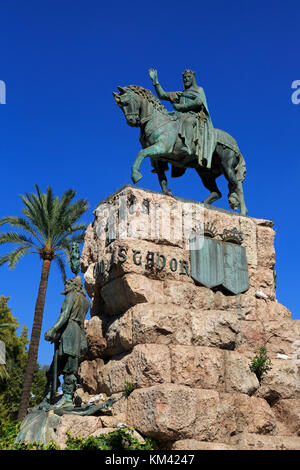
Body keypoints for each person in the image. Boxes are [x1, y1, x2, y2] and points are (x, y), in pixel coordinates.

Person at [149, 68, 215, 168]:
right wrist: (155, 81)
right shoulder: (180, 94)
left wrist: (181, 107)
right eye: (184, 78)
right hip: (179, 116)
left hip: (194, 116)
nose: (186, 79)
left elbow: (199, 102)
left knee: (188, 121)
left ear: (193, 78)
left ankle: (188, 146)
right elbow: (162, 95)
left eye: (189, 77)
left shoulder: (198, 90)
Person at [41, 276, 89, 408]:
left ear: (74, 285)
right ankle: (54, 397)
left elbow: (65, 314)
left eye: (68, 284)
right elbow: (81, 322)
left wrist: (53, 329)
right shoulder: (86, 302)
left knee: (61, 367)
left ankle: (60, 397)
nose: (66, 287)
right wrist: (83, 340)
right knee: (69, 366)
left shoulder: (71, 295)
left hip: (67, 331)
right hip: (77, 334)